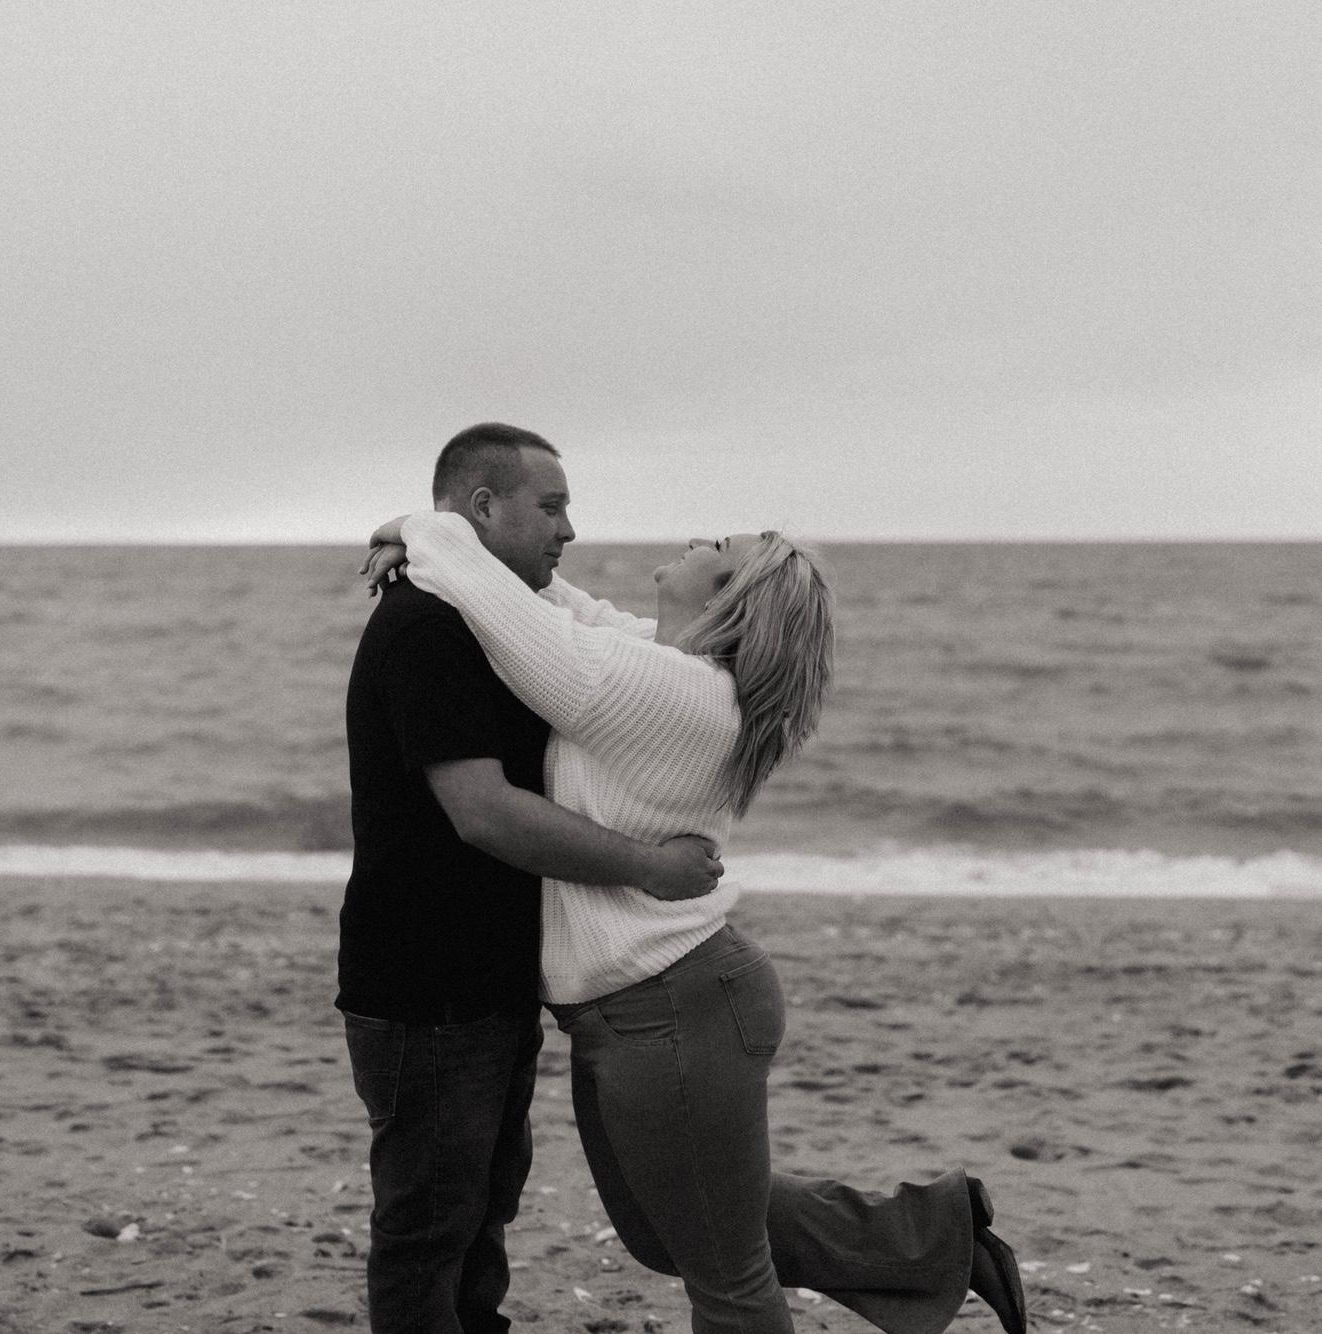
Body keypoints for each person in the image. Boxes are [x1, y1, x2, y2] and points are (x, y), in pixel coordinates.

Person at [361, 500, 1029, 1334]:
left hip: (675, 1006)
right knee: (663, 1235)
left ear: (729, 597)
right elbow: (568, 612)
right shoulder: (665, 669)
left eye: (716, 546)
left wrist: (426, 530)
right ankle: (930, 1240)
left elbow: (524, 626)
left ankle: (931, 1242)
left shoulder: (673, 694)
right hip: (639, 1007)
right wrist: (438, 539)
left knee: (727, 1277)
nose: (694, 539)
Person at [340, 422, 726, 1334]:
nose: (570, 529)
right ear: (483, 509)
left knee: (482, 1212)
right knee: (430, 1225)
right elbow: (483, 810)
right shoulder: (427, 628)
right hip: (425, 983)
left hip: (491, 974)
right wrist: (650, 867)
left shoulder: (503, 618)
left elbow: (632, 653)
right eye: (551, 508)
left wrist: (415, 529)